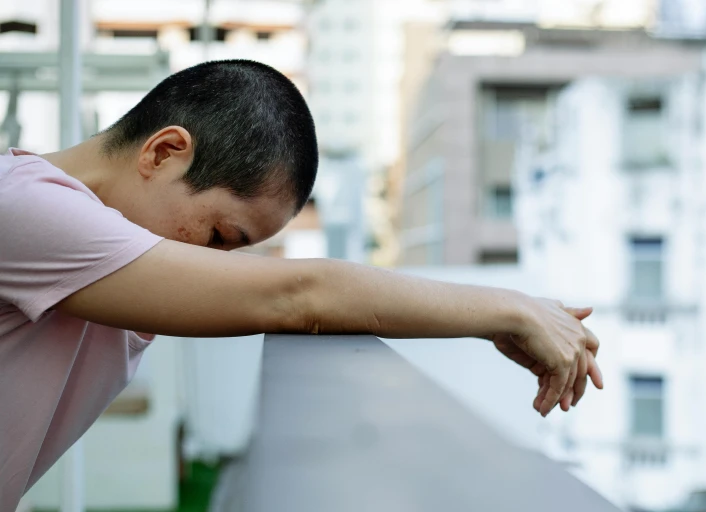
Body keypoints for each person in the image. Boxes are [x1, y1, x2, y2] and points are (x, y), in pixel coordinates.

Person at [0, 60, 602, 509]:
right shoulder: (25, 208)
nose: (216, 262)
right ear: (163, 152)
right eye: (218, 237)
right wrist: (510, 311)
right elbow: (297, 296)